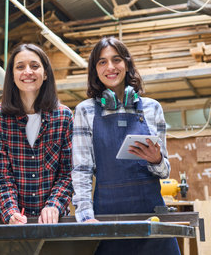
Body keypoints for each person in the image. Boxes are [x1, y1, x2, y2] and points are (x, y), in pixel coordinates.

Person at [71, 37, 180, 254]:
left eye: (116, 60)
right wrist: (86, 217)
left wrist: (156, 160)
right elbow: (81, 170)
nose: (110, 67)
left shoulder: (151, 108)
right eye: (102, 62)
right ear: (95, 70)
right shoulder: (86, 111)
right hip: (106, 221)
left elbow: (165, 170)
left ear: (127, 64)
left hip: (152, 218)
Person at [0, 43, 73, 225]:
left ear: (45, 73)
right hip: (9, 223)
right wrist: (10, 212)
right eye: (20, 67)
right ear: (12, 75)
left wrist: (54, 206)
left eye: (34, 66)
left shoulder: (64, 117)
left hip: (53, 222)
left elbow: (68, 173)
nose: (28, 72)